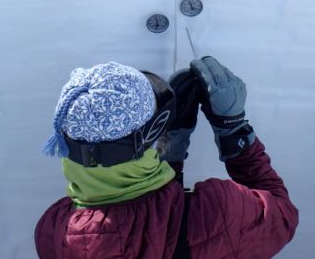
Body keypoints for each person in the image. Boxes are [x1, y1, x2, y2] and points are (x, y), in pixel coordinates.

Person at [34, 56, 298, 259]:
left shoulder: (56, 231)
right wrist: (235, 132)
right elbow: (282, 216)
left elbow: (141, 229)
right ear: (150, 140)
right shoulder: (217, 212)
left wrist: (168, 152)